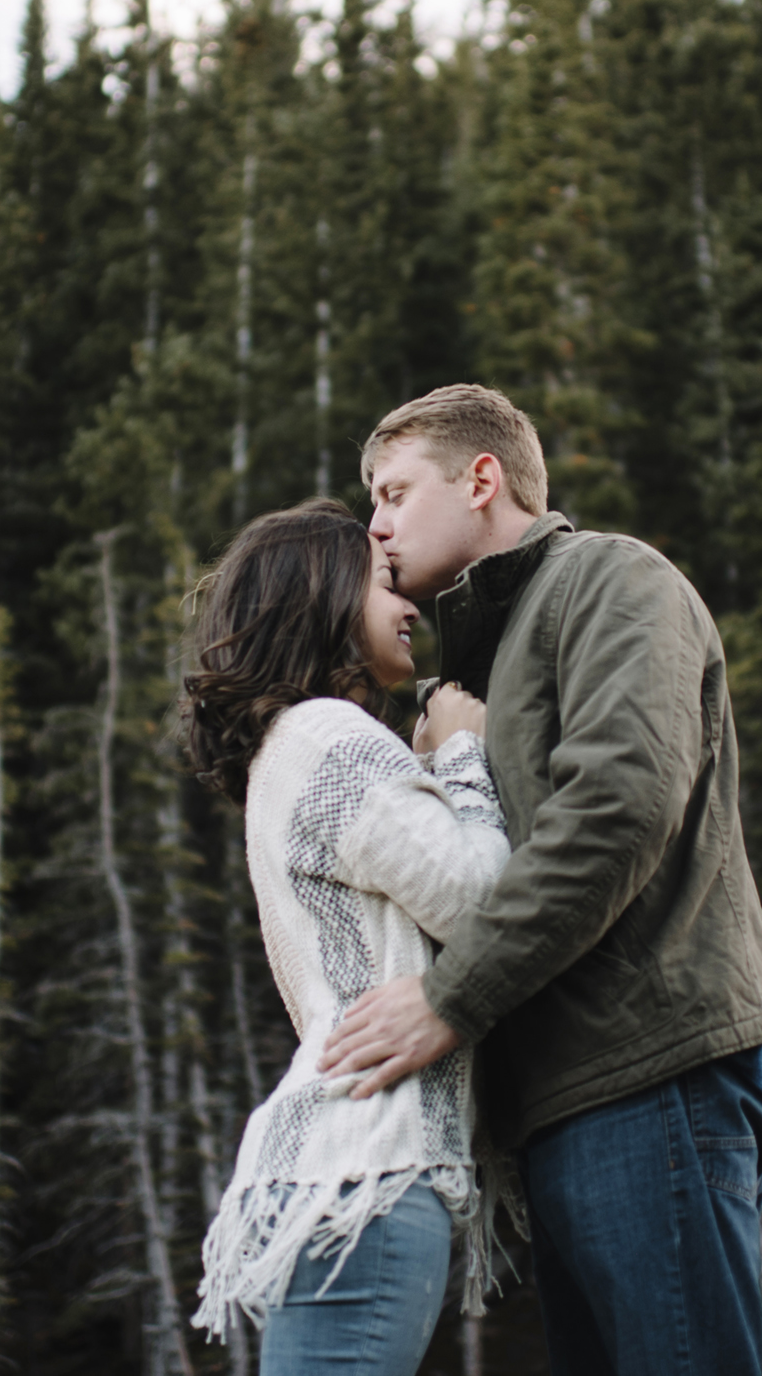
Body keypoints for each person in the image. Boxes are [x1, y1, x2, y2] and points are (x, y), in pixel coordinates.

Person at [318, 384, 762, 1376]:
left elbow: (618, 809)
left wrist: (451, 1000)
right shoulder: (480, 665)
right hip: (571, 1102)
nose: (373, 525)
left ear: (483, 477)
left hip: (650, 1068)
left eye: (393, 491)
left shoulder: (611, 581)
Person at [184, 497, 519, 1375]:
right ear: (325, 597)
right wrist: (460, 753)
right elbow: (485, 901)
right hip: (367, 1175)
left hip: (340, 1179)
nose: (410, 606)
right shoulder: (329, 737)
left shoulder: (294, 748)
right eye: (383, 584)